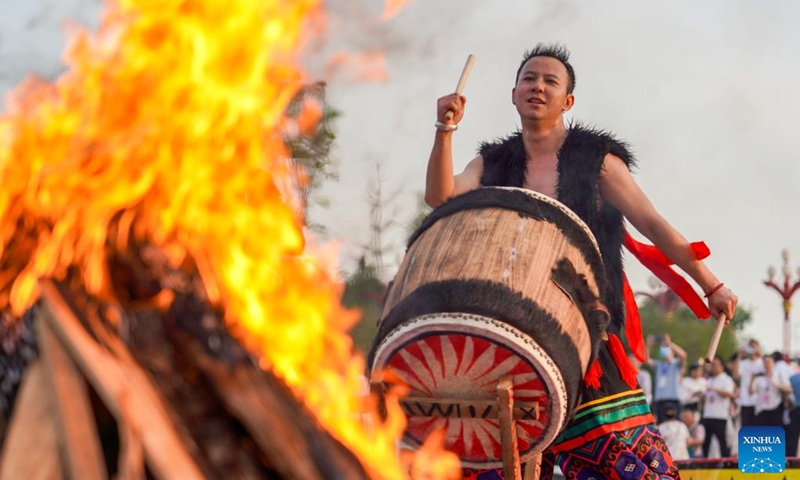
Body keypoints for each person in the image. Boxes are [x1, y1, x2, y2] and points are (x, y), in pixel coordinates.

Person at [424, 43, 738, 479]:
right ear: (513, 94)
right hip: (510, 335)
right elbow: (441, 197)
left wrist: (711, 284)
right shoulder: (493, 162)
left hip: (588, 333)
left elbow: (653, 225)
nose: (538, 87)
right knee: (494, 463)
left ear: (567, 101)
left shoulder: (598, 162)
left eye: (551, 81)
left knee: (628, 466)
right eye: (529, 79)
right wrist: (445, 130)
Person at [701, 356, 736, 458]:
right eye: (712, 365)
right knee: (706, 442)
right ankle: (704, 465)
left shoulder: (726, 379)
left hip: (720, 415)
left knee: (722, 442)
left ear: (721, 366)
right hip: (708, 414)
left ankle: (727, 464)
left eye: (715, 365)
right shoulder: (708, 380)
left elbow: (729, 394)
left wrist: (715, 389)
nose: (713, 367)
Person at [649, 334, 687, 424]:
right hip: (660, 400)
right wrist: (648, 346)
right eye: (662, 348)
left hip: (673, 399)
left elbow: (683, 355)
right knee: (661, 425)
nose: (664, 350)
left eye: (666, 349)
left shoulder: (676, 364)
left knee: (674, 425)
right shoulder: (659, 365)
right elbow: (646, 360)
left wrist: (670, 344)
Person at [750, 354, 791, 427]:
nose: (767, 364)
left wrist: (776, 385)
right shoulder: (759, 377)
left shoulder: (778, 375)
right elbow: (751, 392)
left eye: (769, 362)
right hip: (762, 409)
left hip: (776, 408)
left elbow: (788, 389)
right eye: (765, 362)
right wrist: (752, 379)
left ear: (773, 363)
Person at [737, 343, 764, 428]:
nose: (752, 350)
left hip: (759, 401)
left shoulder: (761, 362)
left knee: (758, 428)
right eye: (750, 347)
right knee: (745, 428)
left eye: (754, 348)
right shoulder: (744, 363)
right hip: (745, 400)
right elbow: (736, 373)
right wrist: (739, 355)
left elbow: (768, 369)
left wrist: (760, 354)